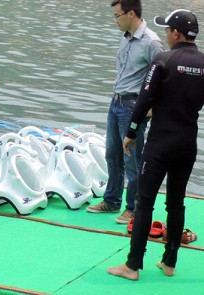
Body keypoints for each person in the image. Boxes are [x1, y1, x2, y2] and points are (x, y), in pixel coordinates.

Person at [108, 9, 204, 280]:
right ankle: (169, 262)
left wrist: (132, 131)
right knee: (176, 204)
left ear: (176, 33)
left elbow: (145, 99)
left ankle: (132, 266)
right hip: (187, 144)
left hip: (160, 143)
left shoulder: (164, 60)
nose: (165, 34)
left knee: (145, 203)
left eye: (167, 30)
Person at [87, 0, 163, 224]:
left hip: (133, 107)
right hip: (116, 102)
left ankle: (134, 208)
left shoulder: (152, 43)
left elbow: (161, 79)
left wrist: (149, 110)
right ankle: (112, 201)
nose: (115, 20)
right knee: (112, 154)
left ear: (131, 14)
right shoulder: (125, 38)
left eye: (117, 15)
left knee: (133, 159)